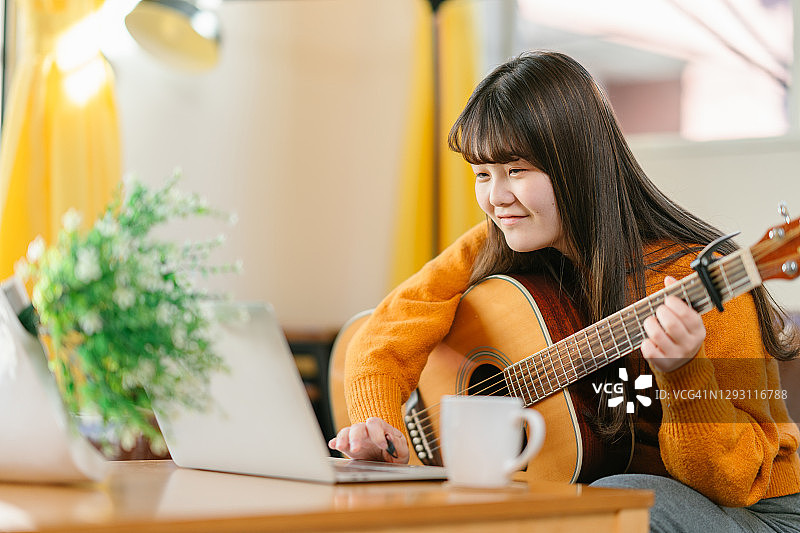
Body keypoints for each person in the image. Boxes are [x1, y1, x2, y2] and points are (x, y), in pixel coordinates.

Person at [328, 50, 800, 532]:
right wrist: (377, 423)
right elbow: (385, 328)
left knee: (602, 505)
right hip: (603, 494)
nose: (496, 198)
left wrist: (685, 375)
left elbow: (734, 484)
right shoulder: (497, 241)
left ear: (578, 167)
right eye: (481, 174)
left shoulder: (700, 284)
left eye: (517, 170)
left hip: (756, 514)